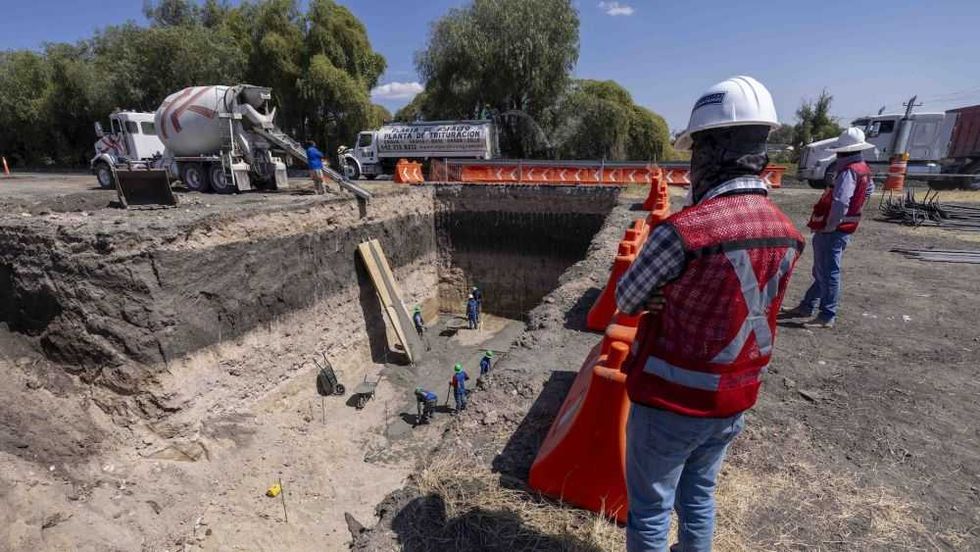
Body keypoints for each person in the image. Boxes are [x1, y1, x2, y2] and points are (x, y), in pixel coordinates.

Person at [615, 76, 804, 552]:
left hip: (671, 401)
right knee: (699, 494)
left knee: (652, 509)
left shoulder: (685, 231)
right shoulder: (786, 231)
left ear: (709, 154)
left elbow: (628, 298)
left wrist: (663, 295)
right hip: (735, 397)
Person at [781, 127, 875, 329]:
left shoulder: (849, 171)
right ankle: (807, 306)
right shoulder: (863, 169)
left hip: (834, 229)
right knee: (824, 271)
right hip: (845, 226)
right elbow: (868, 192)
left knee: (829, 272)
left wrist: (831, 225)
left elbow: (841, 201)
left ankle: (826, 314)